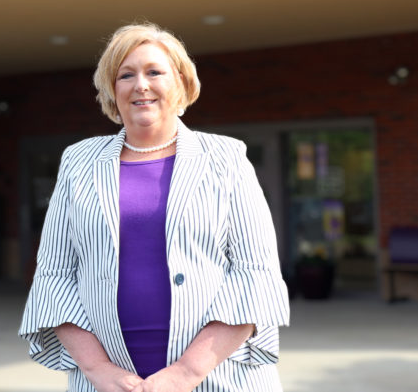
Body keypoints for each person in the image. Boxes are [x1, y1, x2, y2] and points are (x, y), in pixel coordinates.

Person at [19, 22, 289, 392]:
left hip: (217, 379)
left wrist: (185, 374)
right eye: (126, 74)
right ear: (112, 90)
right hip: (108, 384)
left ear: (179, 82)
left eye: (154, 72)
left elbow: (253, 276)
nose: (140, 85)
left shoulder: (226, 158)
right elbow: (55, 276)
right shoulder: (78, 162)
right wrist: (99, 370)